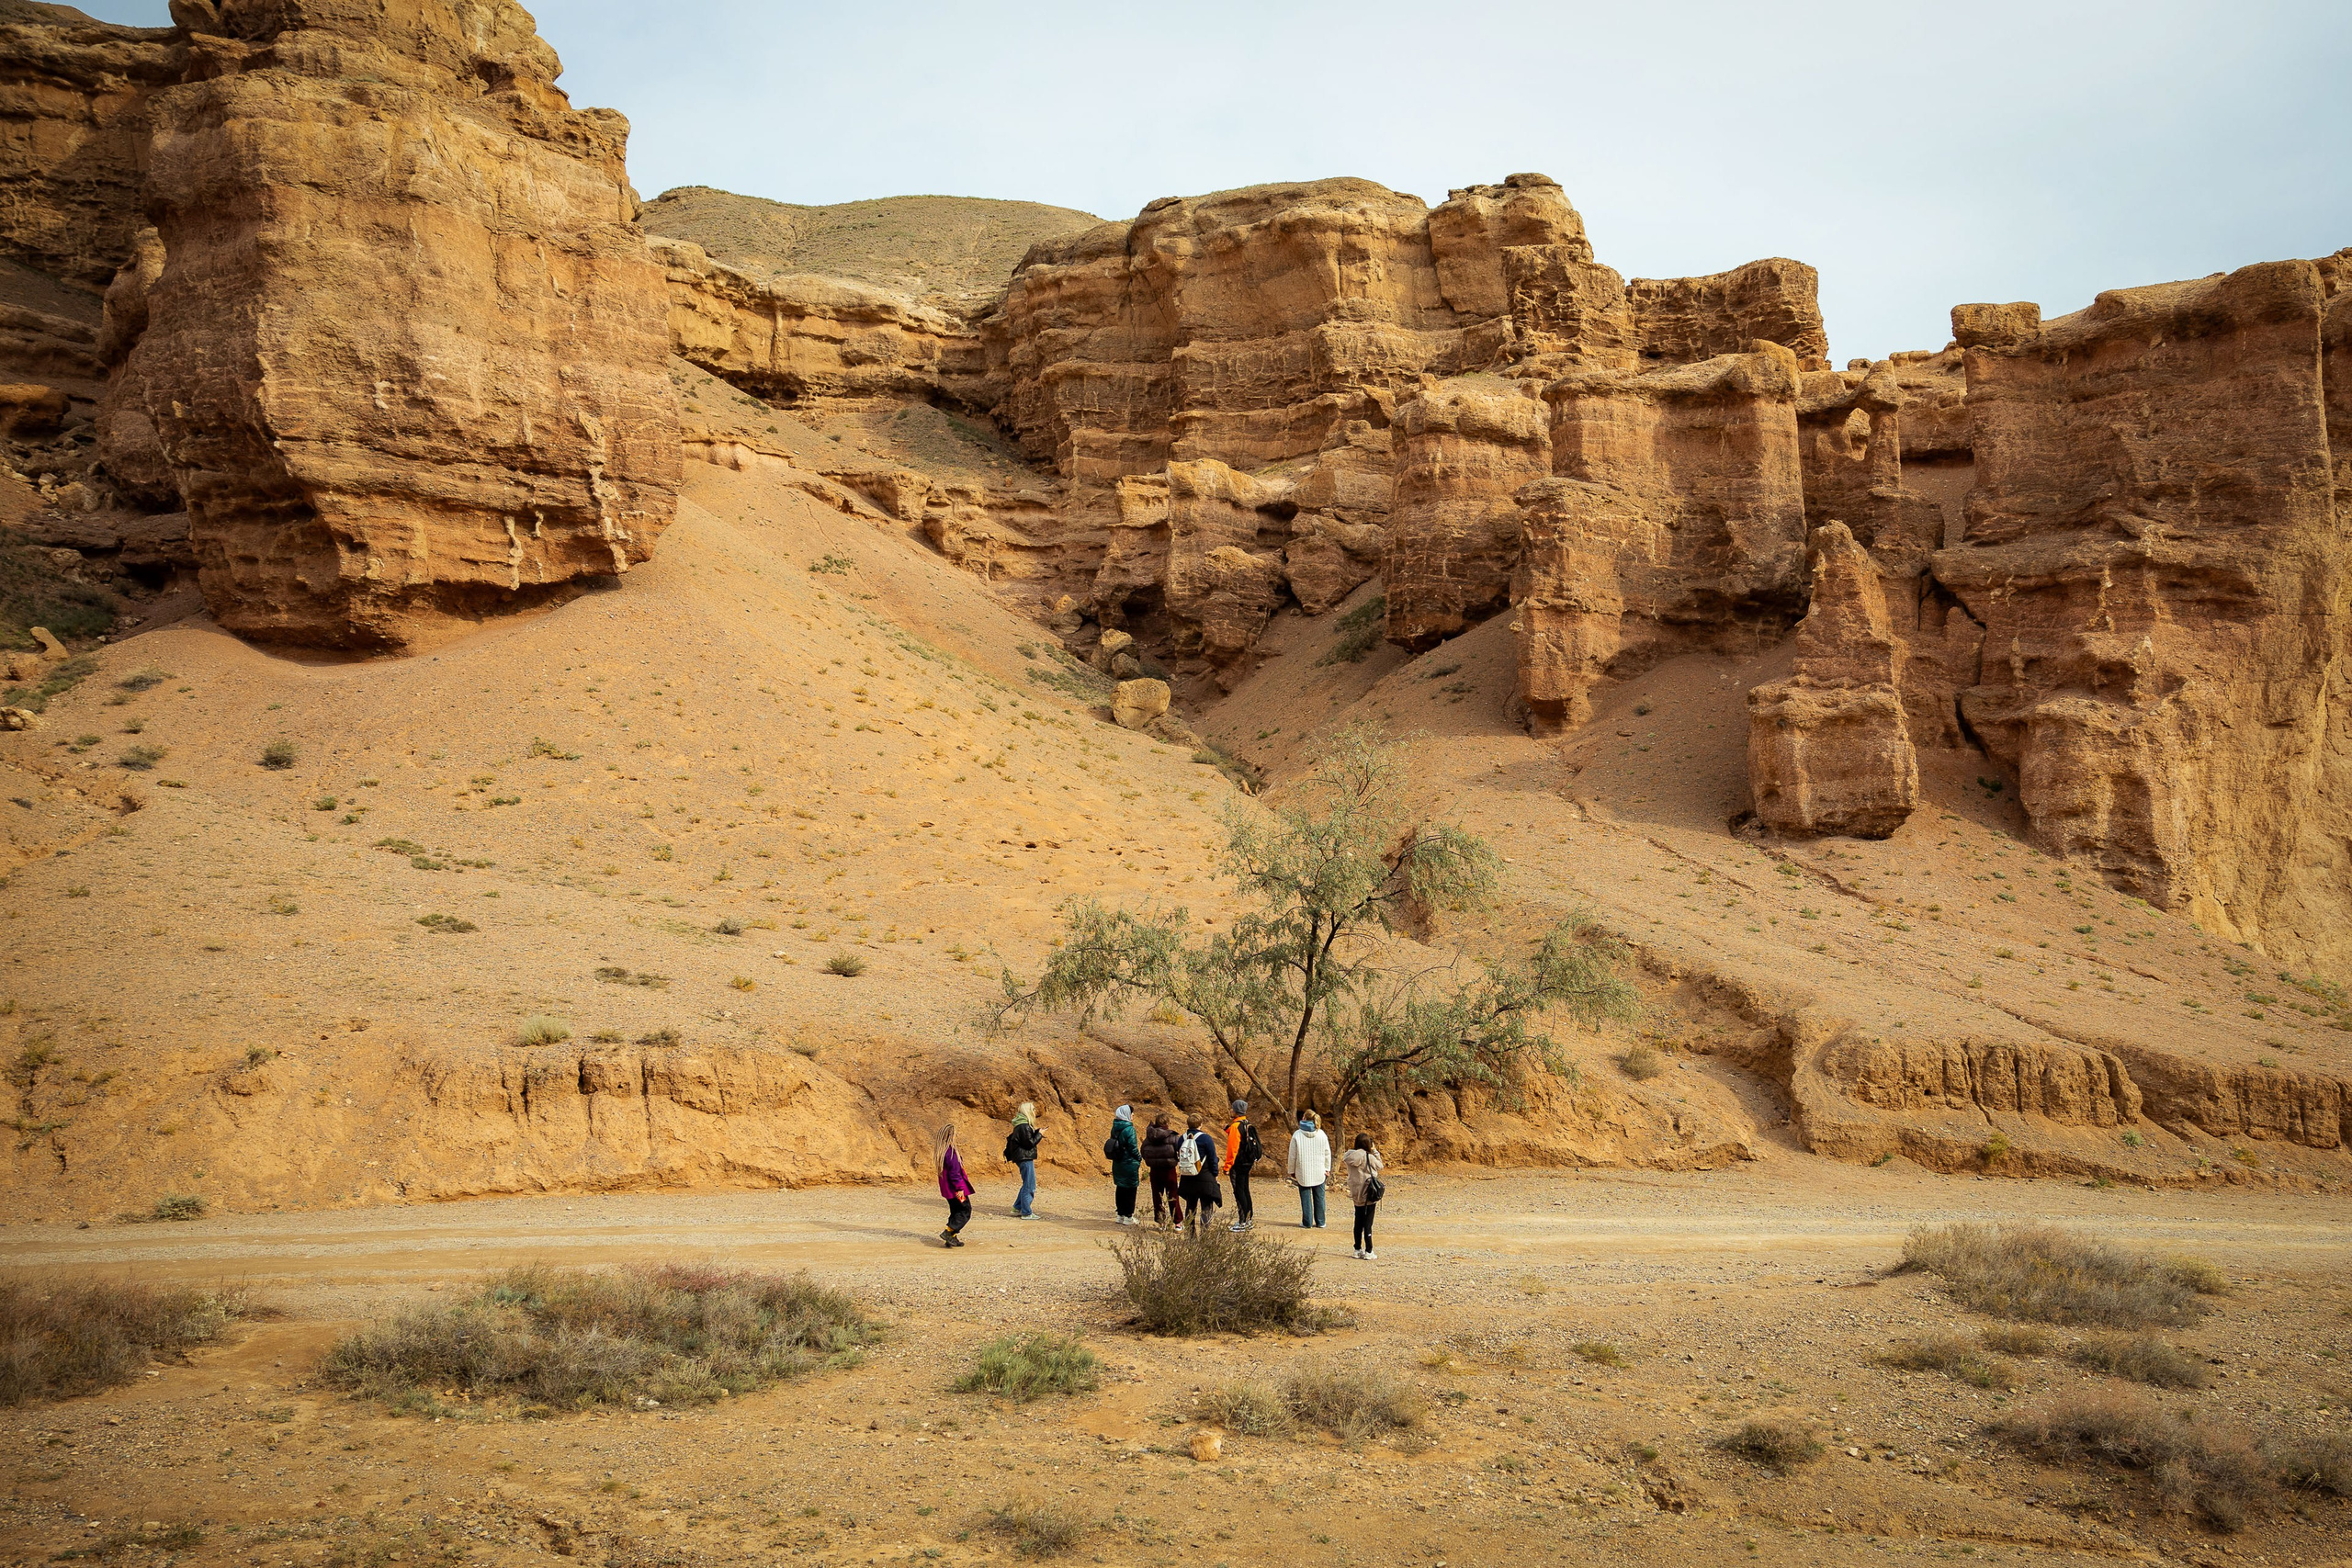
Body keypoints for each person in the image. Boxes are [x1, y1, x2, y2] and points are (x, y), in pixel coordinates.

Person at [1341, 1131, 1385, 1259]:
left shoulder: (1349, 1156)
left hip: (1356, 1194)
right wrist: (1375, 1151)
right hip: (1368, 1194)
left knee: (1358, 1222)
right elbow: (1380, 1166)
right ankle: (1369, 1251)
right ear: (1368, 1144)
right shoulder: (1369, 1157)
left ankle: (1357, 1249)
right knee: (1368, 1224)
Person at [1176, 1113, 1222, 1235]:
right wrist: (1215, 1174)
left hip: (1187, 1176)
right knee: (1206, 1206)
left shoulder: (1182, 1138)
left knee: (1190, 1206)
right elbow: (1212, 1158)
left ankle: (1190, 1235)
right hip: (1204, 1175)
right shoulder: (1206, 1138)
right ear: (1201, 1124)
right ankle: (1204, 1235)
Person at [1286, 1110, 1331, 1229]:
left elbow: (1292, 1155)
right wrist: (1327, 1168)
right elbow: (1327, 1153)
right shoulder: (1322, 1134)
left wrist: (1291, 1170)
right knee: (1320, 1198)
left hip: (1303, 1171)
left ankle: (1307, 1223)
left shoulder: (1297, 1135)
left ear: (1304, 1118)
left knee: (1305, 1198)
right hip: (1319, 1171)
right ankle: (1321, 1222)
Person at [1223, 1100, 1261, 1232]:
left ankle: (1242, 1222)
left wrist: (1227, 1167)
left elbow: (1232, 1150)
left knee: (1239, 1192)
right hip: (1247, 1162)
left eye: (1232, 1108)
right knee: (1245, 1190)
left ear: (1236, 1111)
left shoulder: (1235, 1127)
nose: (1230, 1110)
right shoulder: (1247, 1124)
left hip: (1238, 1164)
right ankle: (1249, 1220)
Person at [1142, 1112, 1184, 1226]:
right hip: (1169, 1170)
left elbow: (1143, 1152)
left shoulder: (1149, 1137)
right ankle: (1177, 1222)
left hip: (1154, 1170)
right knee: (1173, 1195)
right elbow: (1181, 1151)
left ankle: (1161, 1222)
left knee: (1157, 1196)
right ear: (1167, 1123)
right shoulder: (1173, 1137)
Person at [1004, 1102, 1044, 1220]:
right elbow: (1029, 1144)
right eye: (1033, 1109)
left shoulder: (1021, 1125)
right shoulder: (1024, 1126)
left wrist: (1036, 1132)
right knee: (1030, 1185)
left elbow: (1026, 1140)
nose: (1035, 1111)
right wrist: (1040, 1134)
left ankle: (1017, 1208)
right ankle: (1026, 1212)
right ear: (1028, 1111)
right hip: (1025, 1158)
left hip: (1021, 1157)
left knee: (1027, 1183)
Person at [937, 1123, 975, 1247]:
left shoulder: (941, 1152)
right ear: (951, 1136)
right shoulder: (951, 1153)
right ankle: (949, 1232)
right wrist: (960, 1189)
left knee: (955, 1211)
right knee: (965, 1210)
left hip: (949, 1191)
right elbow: (955, 1174)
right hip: (957, 1191)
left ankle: (952, 1237)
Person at [1105, 1104, 1143, 1224]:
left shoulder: (1114, 1127)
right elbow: (1133, 1147)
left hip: (1118, 1162)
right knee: (1131, 1189)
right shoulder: (1129, 1129)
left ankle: (1120, 1215)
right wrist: (1139, 1158)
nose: (1133, 1115)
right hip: (1129, 1163)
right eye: (1131, 1113)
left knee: (1120, 1188)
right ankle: (1128, 1216)